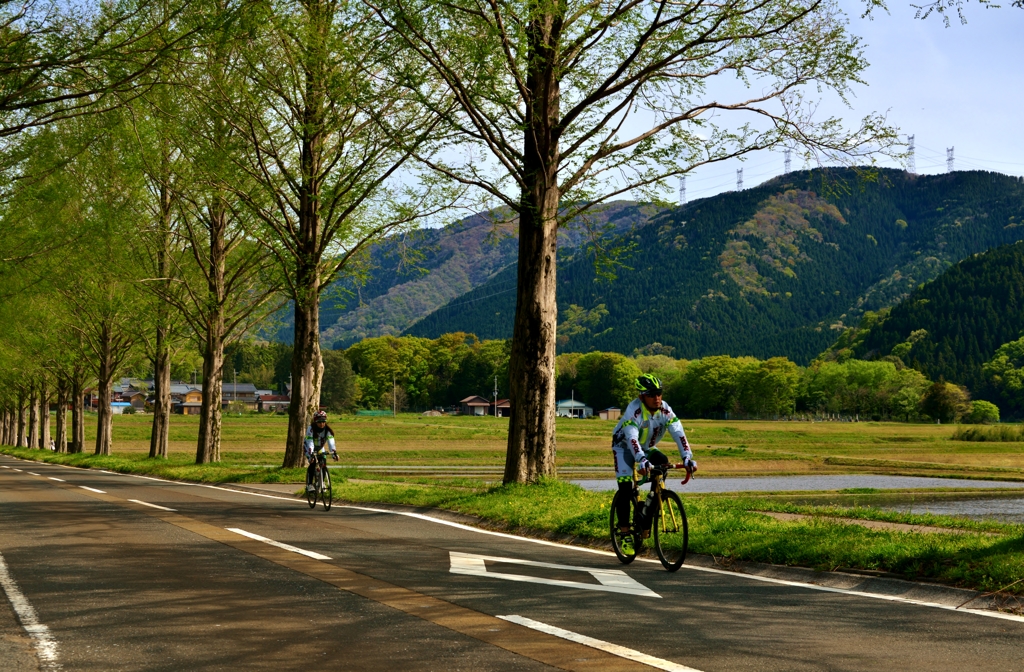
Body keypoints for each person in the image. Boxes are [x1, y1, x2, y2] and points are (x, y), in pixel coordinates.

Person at [611, 374, 697, 539]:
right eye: (651, 395)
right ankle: (624, 533)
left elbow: (678, 432)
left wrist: (687, 457)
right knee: (625, 488)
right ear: (641, 397)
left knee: (662, 462)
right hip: (624, 448)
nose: (657, 398)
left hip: (645, 447)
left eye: (659, 393)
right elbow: (632, 439)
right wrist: (642, 460)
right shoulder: (633, 412)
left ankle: (648, 508)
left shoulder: (665, 409)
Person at [305, 410, 338, 492]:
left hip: (320, 448)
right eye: (319, 422)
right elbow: (310, 442)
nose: (322, 424)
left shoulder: (327, 430)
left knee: (323, 462)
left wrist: (334, 453)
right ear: (315, 422)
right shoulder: (311, 429)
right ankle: (309, 484)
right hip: (309, 447)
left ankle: (322, 482)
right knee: (312, 463)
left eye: (323, 421)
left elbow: (331, 442)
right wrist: (311, 454)